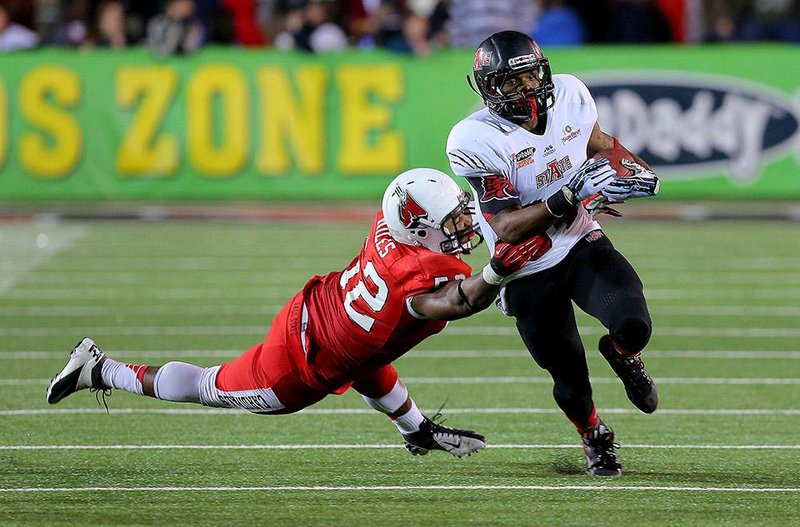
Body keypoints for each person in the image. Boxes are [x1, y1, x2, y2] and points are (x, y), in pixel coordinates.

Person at [46, 168, 549, 458]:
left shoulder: (390, 223)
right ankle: (101, 368)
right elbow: (457, 300)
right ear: (418, 227)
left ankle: (414, 430)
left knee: (369, 358)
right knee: (207, 385)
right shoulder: (412, 280)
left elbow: (373, 359)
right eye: (452, 218)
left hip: (321, 312)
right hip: (297, 366)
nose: (464, 224)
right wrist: (497, 274)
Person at [446, 30, 661, 476]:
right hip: (526, 265)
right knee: (568, 376)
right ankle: (594, 436)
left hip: (580, 238)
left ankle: (622, 354)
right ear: (489, 89)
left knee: (633, 323)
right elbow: (505, 225)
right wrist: (569, 194)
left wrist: (631, 165)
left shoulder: (570, 93)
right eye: (511, 81)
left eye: (529, 75)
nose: (525, 87)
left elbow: (597, 140)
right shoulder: (474, 138)